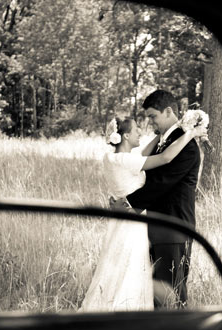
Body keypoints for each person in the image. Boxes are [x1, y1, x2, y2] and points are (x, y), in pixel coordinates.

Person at [79, 115, 207, 312]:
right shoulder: (126, 160)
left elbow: (142, 155)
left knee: (118, 266)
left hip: (121, 221)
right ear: (127, 135)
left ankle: (112, 304)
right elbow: (165, 158)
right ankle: (128, 309)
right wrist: (192, 133)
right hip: (134, 223)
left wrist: (163, 134)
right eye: (137, 128)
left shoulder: (113, 158)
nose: (141, 131)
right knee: (131, 269)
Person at [127, 90, 201, 307]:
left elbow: (162, 182)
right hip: (158, 227)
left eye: (153, 116)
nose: (150, 123)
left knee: (173, 294)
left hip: (174, 228)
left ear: (169, 111)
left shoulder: (186, 145)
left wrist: (129, 203)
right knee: (158, 294)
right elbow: (143, 161)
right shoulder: (166, 141)